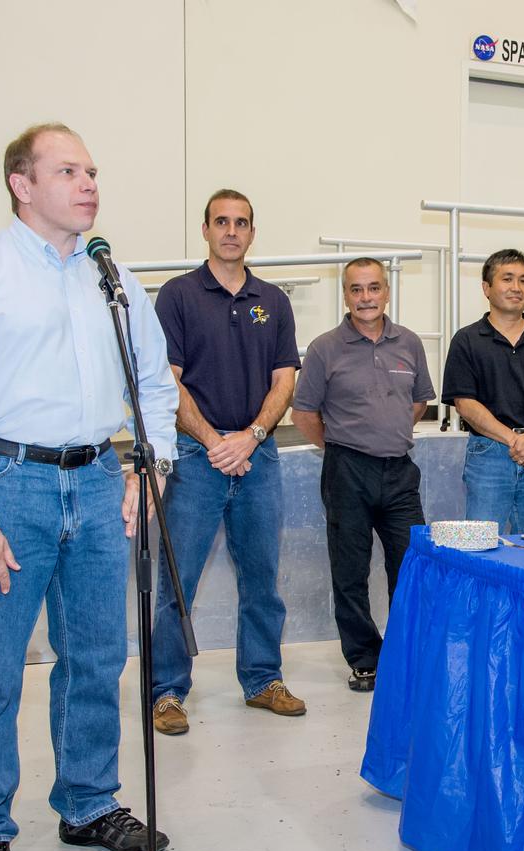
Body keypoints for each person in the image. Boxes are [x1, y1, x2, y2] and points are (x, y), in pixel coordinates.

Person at [0, 123, 179, 851]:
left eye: (92, 170)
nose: (89, 182)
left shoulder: (114, 278)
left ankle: (89, 802)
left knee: (97, 656)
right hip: (7, 484)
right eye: (68, 170)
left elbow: (155, 384)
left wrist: (150, 466)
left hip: (98, 479)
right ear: (22, 185)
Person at [148, 189, 304, 736]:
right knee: (177, 580)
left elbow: (285, 381)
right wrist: (218, 442)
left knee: (263, 578)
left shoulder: (274, 301)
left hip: (259, 457)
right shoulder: (178, 296)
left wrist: (252, 437)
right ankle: (166, 692)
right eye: (221, 222)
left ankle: (263, 680)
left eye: (241, 222)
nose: (231, 231)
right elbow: (168, 381)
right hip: (197, 456)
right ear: (206, 230)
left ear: (253, 232)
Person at [290, 258, 435, 692]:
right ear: (346, 295)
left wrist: (385, 433)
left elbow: (419, 403)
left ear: (386, 292)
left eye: (373, 288)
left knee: (410, 566)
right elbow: (303, 414)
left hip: (399, 473)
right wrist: (341, 444)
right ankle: (365, 659)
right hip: (346, 470)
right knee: (350, 572)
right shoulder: (324, 348)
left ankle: (406, 653)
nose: (366, 297)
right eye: (356, 289)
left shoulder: (409, 343)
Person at [440, 249, 524, 534]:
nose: (516, 288)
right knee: (484, 546)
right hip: (489, 453)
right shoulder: (467, 340)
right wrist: (516, 441)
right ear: (486, 288)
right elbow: (465, 403)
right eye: (507, 279)